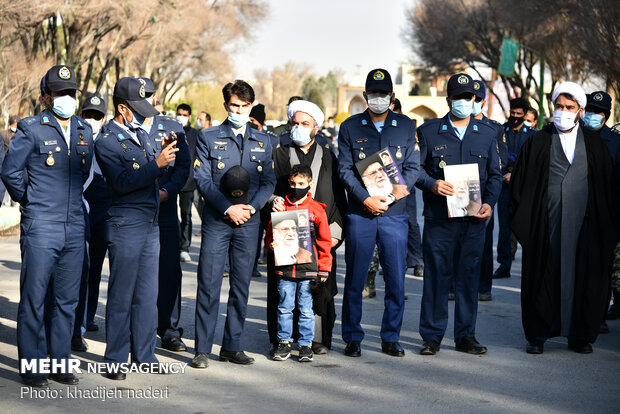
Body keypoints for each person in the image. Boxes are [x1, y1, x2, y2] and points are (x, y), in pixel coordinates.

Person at [1, 65, 94, 387]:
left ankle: (59, 361)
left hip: (74, 225)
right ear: (46, 97)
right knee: (35, 298)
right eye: (60, 93)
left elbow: (85, 174)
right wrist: (31, 201)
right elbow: (11, 172)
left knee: (67, 301)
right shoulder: (31, 128)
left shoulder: (84, 129)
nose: (67, 98)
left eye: (71, 92)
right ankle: (33, 366)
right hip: (41, 225)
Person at [510, 82, 619, 354]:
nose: (563, 112)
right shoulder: (536, 142)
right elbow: (520, 189)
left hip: (585, 227)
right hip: (546, 226)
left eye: (569, 108)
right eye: (559, 106)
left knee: (583, 277)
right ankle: (538, 336)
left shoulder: (595, 146)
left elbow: (607, 190)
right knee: (543, 275)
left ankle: (579, 336)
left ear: (580, 111)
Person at [95, 77, 178, 380]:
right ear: (121, 108)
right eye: (137, 108)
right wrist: (156, 164)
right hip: (125, 222)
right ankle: (115, 359)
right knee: (122, 294)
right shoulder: (106, 141)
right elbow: (122, 183)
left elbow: (151, 174)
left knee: (146, 294)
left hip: (150, 222)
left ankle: (145, 355)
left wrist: (165, 157)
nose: (144, 115)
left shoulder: (141, 135)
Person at [416, 73, 502, 356]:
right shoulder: (429, 131)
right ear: (448, 99)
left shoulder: (488, 134)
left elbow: (494, 175)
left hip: (474, 220)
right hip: (440, 220)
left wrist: (489, 202)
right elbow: (415, 170)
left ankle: (466, 336)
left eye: (469, 98)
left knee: (468, 278)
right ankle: (432, 336)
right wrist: (433, 184)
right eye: (458, 97)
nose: (464, 102)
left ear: (475, 100)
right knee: (437, 278)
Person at [191, 80, 276, 368]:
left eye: (244, 106)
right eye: (234, 106)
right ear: (226, 105)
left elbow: (269, 182)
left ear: (251, 106)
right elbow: (202, 179)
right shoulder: (208, 137)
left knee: (241, 285)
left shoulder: (264, 141)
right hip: (217, 220)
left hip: (249, 221)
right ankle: (202, 348)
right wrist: (228, 208)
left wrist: (251, 207)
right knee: (209, 283)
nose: (239, 110)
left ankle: (233, 345)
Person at [338, 68, 420, 358]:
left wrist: (400, 190)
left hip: (395, 215)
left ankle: (390, 337)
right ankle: (352, 337)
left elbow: (413, 166)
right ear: (365, 96)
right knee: (356, 278)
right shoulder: (350, 127)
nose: (378, 98)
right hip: (361, 214)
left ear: (392, 96)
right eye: (373, 94)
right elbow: (345, 169)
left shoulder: (406, 125)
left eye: (383, 94)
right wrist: (365, 199)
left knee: (396, 279)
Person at [270, 99, 346, 354]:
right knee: (284, 291)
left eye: (305, 124)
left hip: (321, 235)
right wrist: (274, 201)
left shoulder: (329, 157)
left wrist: (335, 233)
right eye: (295, 123)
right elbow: (269, 190)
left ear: (316, 128)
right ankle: (282, 339)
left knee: (319, 290)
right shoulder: (279, 154)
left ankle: (316, 340)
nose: (299, 128)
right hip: (287, 237)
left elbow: (337, 198)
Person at [138, 79, 192, 353]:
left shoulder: (171, 128)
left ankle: (169, 330)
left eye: (148, 95)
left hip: (165, 209)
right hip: (134, 210)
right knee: (136, 275)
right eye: (140, 96)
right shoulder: (123, 129)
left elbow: (184, 167)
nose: (145, 100)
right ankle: (138, 329)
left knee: (169, 271)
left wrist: (168, 191)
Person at [266, 165, 332, 362]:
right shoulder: (281, 208)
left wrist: (324, 268)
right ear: (289, 183)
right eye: (293, 184)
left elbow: (324, 242)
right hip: (285, 270)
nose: (297, 187)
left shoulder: (317, 210)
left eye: (301, 184)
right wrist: (271, 245)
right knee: (284, 307)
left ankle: (305, 344)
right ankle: (283, 342)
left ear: (309, 183)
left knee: (306, 309)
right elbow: (270, 236)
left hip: (308, 271)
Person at [70, 93, 109, 353]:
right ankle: (76, 327)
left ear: (103, 118)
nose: (92, 120)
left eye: (97, 116)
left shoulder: (110, 141)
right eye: (88, 115)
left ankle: (88, 317)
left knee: (95, 267)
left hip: (105, 206)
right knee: (79, 268)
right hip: (79, 205)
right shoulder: (75, 138)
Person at [581, 91, 620, 333]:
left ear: (605, 116)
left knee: (602, 268)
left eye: (597, 112)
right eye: (589, 111)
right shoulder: (575, 136)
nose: (591, 116)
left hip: (606, 214)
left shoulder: (616, 143)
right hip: (577, 210)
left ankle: (599, 314)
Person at [471, 80, 508, 301]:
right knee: (456, 243)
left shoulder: (494, 128)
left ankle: (484, 287)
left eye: (476, 99)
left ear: (483, 101)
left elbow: (500, 159)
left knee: (483, 243)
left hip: (483, 193)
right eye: (468, 98)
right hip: (457, 191)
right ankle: (454, 286)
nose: (471, 103)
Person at [493, 97, 535, 279]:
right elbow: (496, 155)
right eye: (513, 113)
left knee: (524, 224)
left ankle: (530, 265)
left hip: (523, 186)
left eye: (519, 114)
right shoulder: (501, 131)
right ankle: (504, 264)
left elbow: (531, 161)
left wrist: (515, 174)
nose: (515, 116)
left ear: (525, 115)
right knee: (504, 227)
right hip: (503, 186)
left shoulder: (532, 135)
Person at [176, 103, 200, 264]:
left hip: (189, 182)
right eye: (179, 114)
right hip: (171, 180)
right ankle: (173, 243)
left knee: (186, 215)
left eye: (184, 114)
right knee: (170, 214)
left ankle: (184, 247)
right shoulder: (172, 130)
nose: (181, 117)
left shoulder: (196, 135)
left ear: (189, 117)